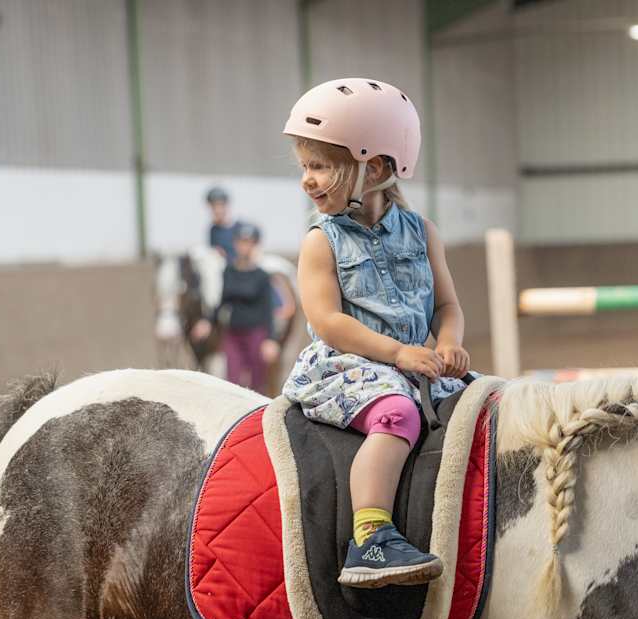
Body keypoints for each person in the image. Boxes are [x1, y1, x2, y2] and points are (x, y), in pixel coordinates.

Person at [281, 78, 473, 589]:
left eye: (320, 166)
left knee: (486, 404)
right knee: (397, 412)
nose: (307, 179)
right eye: (304, 166)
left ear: (378, 167)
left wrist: (449, 342)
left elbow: (447, 305)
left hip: (414, 361)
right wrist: (397, 353)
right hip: (349, 366)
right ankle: (370, 537)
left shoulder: (423, 231)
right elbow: (329, 322)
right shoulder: (321, 242)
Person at [192, 222, 281, 394]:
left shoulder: (261, 275)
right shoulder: (229, 271)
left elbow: (267, 308)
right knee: (232, 381)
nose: (244, 246)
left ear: (255, 245)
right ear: (235, 244)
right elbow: (223, 301)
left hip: (256, 334)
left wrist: (270, 339)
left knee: (257, 383)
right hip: (233, 334)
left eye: (249, 242)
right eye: (241, 242)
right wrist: (207, 322)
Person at [205, 186, 240, 259]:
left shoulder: (239, 228)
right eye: (213, 206)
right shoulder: (214, 230)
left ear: (226, 205)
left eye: (220, 205)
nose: (217, 210)